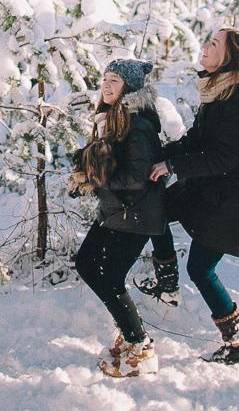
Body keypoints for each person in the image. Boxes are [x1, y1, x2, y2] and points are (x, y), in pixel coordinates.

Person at [146, 28, 239, 365]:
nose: (205, 46)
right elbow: (198, 139)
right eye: (208, 40)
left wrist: (173, 164)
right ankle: (168, 284)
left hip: (229, 203)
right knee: (154, 207)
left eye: (214, 44)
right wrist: (161, 154)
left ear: (229, 57)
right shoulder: (220, 90)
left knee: (202, 269)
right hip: (208, 190)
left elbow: (224, 157)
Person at [71, 58, 165, 378]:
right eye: (105, 78)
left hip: (136, 214)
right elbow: (108, 162)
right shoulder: (111, 118)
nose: (107, 85)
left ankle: (139, 345)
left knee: (110, 278)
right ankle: (131, 334)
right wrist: (85, 167)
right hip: (116, 211)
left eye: (115, 80)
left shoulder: (138, 124)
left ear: (130, 87)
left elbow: (137, 176)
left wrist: (98, 179)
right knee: (86, 263)